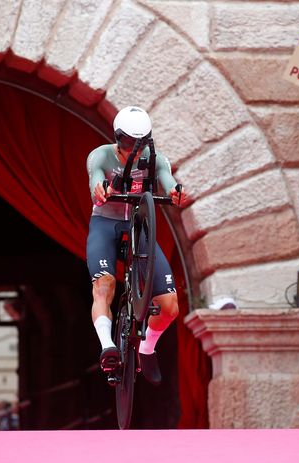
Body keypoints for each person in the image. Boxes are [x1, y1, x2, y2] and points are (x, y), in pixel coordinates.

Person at [86, 106, 187, 385]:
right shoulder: (101, 155)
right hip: (106, 224)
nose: (134, 149)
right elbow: (95, 176)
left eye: (140, 143)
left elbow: (168, 181)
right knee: (103, 285)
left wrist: (174, 192)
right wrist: (100, 189)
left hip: (140, 226)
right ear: (117, 138)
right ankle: (107, 345)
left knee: (169, 307)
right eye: (128, 142)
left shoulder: (157, 159)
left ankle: (147, 348)